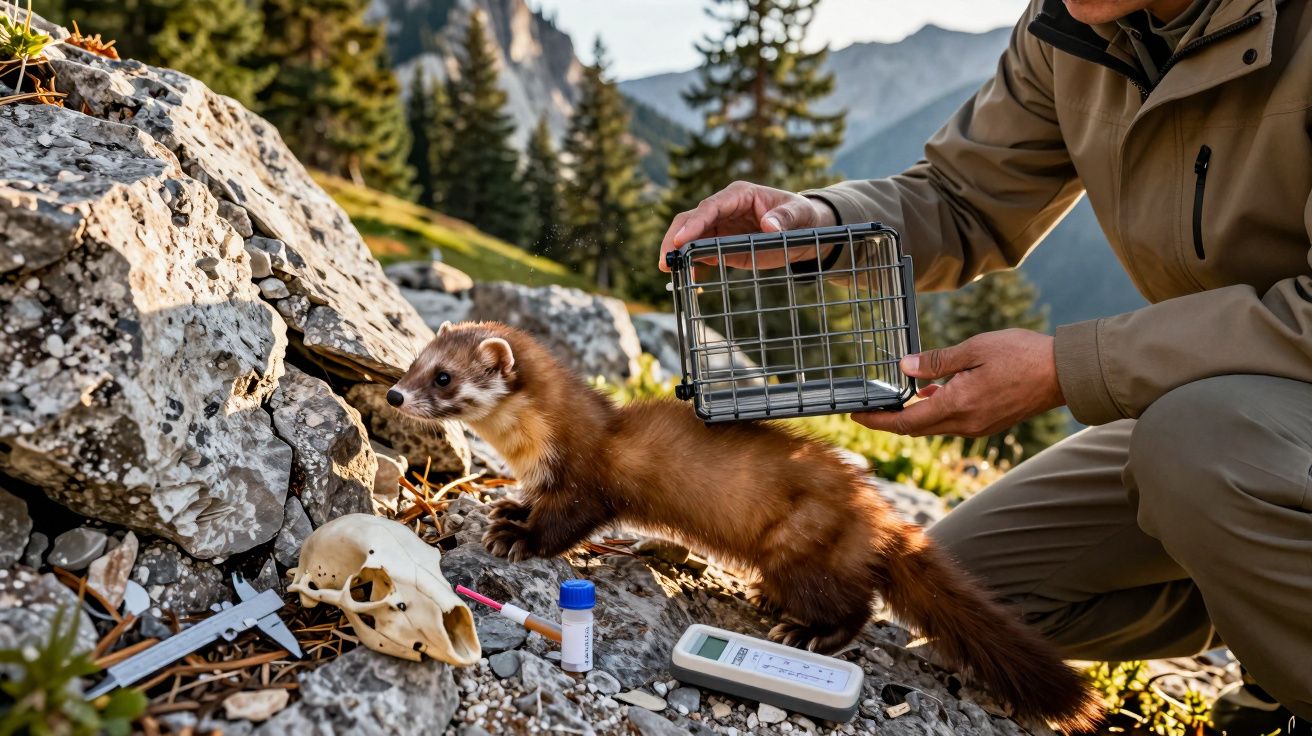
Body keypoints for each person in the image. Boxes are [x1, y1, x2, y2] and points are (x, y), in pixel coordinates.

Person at [658, 0, 1312, 732]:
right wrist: (819, 225)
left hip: (1238, 420)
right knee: (966, 592)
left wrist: (1068, 368)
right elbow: (963, 197)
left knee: (1193, 448)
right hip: (1237, 410)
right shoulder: (1070, 25)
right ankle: (1268, 616)